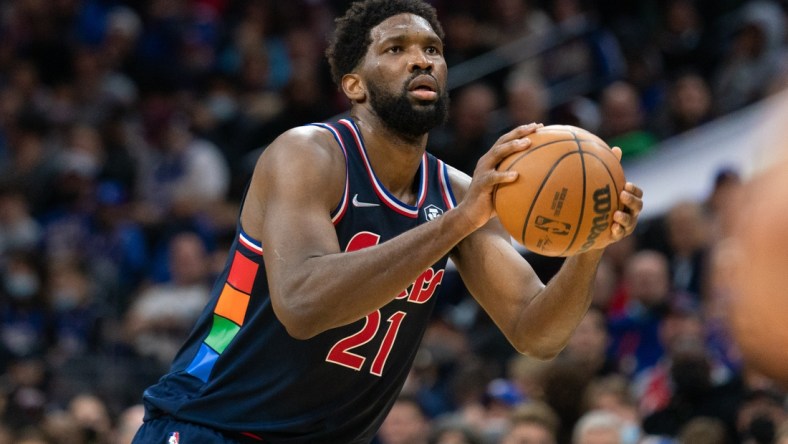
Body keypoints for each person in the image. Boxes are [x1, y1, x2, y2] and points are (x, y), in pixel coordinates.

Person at [131, 0, 644, 442]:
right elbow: (302, 304)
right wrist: (459, 221)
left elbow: (537, 333)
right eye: (396, 49)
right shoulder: (309, 154)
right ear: (354, 84)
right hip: (209, 423)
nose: (420, 59)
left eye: (432, 50)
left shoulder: (459, 194)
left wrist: (589, 243)